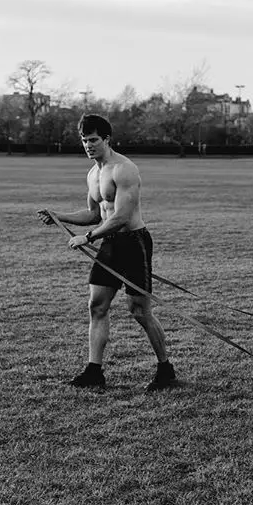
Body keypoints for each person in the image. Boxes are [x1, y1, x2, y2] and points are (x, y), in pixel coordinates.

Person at [37, 114, 176, 391]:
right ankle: (94, 371)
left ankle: (165, 369)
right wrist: (59, 216)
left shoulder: (124, 169)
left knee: (139, 311)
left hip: (133, 242)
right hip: (109, 243)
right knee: (97, 306)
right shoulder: (92, 174)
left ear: (107, 139)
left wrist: (86, 238)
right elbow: (93, 214)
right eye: (84, 141)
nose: (88, 146)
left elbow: (122, 217)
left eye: (93, 140)